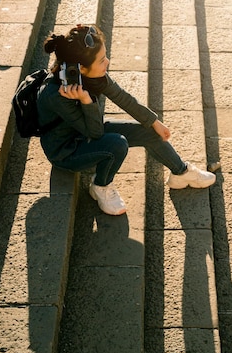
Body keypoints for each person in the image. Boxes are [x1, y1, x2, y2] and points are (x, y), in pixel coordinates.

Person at [37, 24, 216, 215]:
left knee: (147, 130)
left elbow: (124, 98)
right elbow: (95, 133)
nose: (108, 62)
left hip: (84, 131)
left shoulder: (89, 77)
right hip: (66, 152)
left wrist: (154, 122)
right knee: (116, 145)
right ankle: (100, 186)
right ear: (80, 69)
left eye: (105, 56)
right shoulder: (56, 95)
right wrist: (86, 101)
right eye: (102, 60)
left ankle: (181, 172)